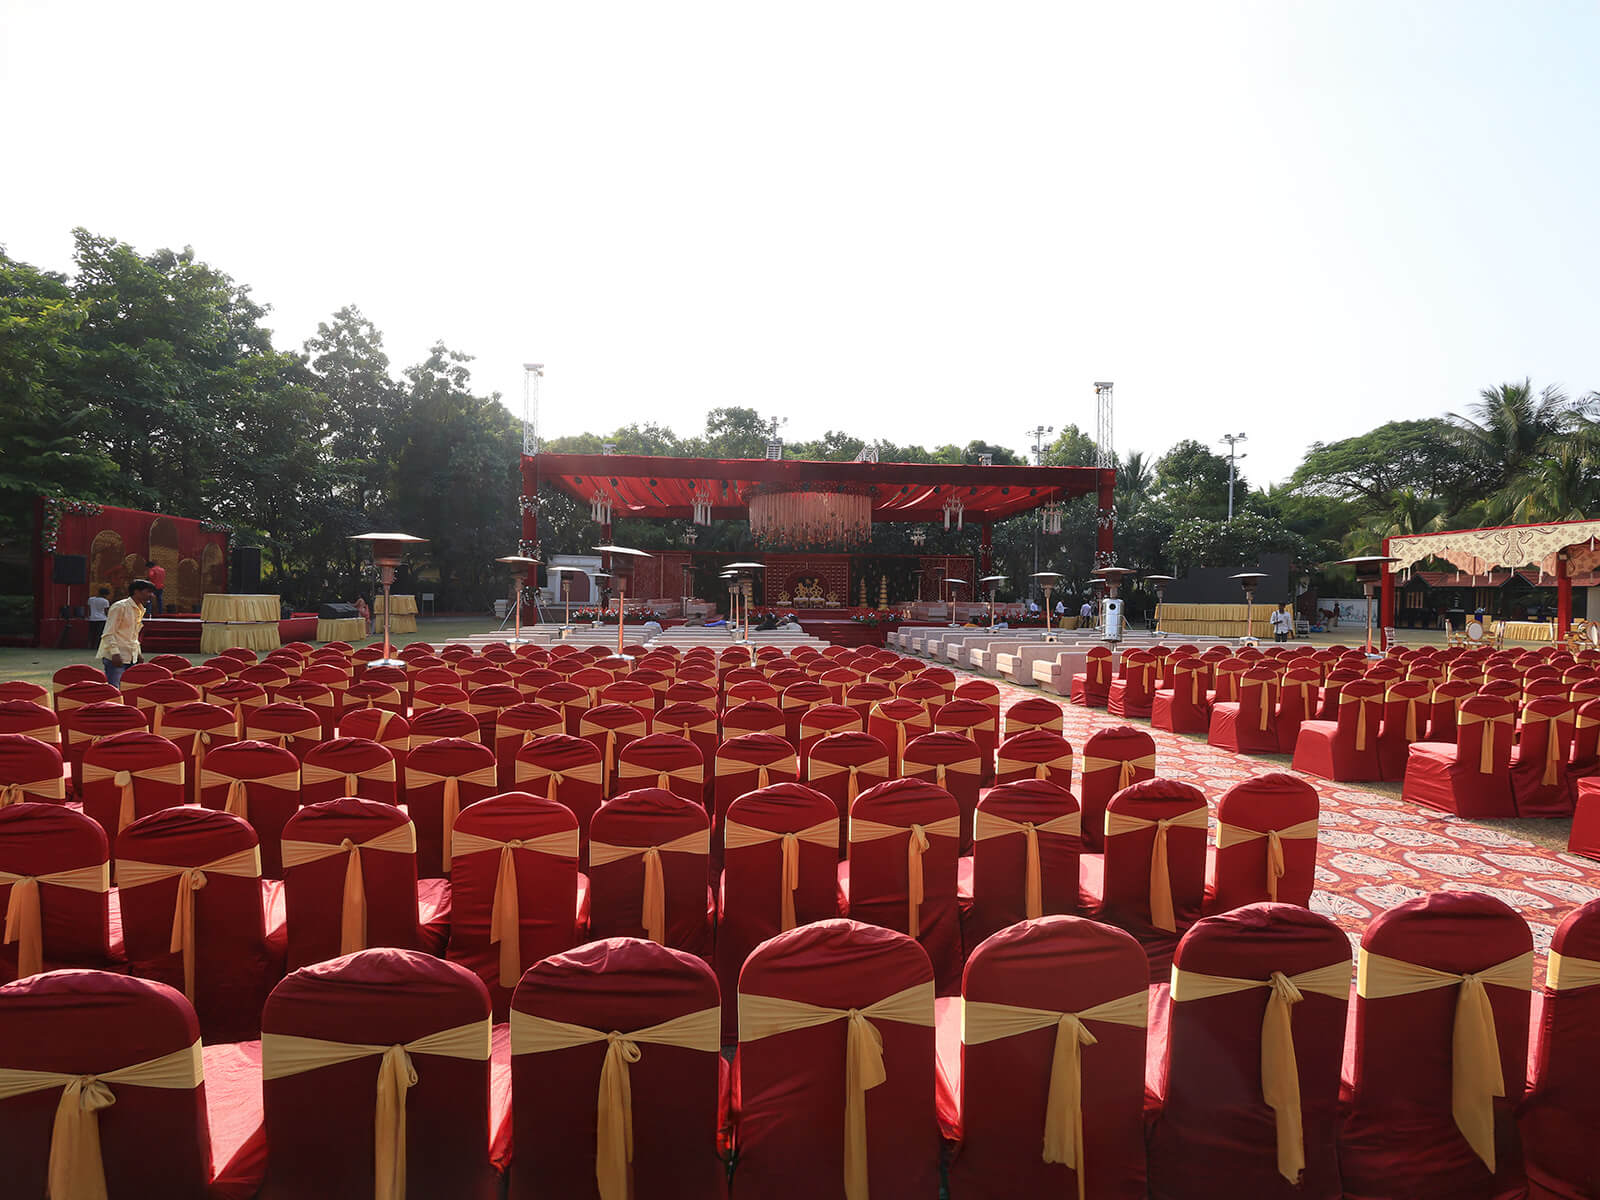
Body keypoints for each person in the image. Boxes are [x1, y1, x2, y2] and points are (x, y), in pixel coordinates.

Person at [98, 579, 153, 687]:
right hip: (117, 656)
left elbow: (133, 634)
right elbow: (108, 632)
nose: (151, 595)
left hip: (131, 656)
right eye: (148, 592)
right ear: (136, 592)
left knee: (129, 690)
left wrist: (138, 653)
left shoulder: (140, 609)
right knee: (115, 689)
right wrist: (115, 653)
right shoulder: (120, 607)